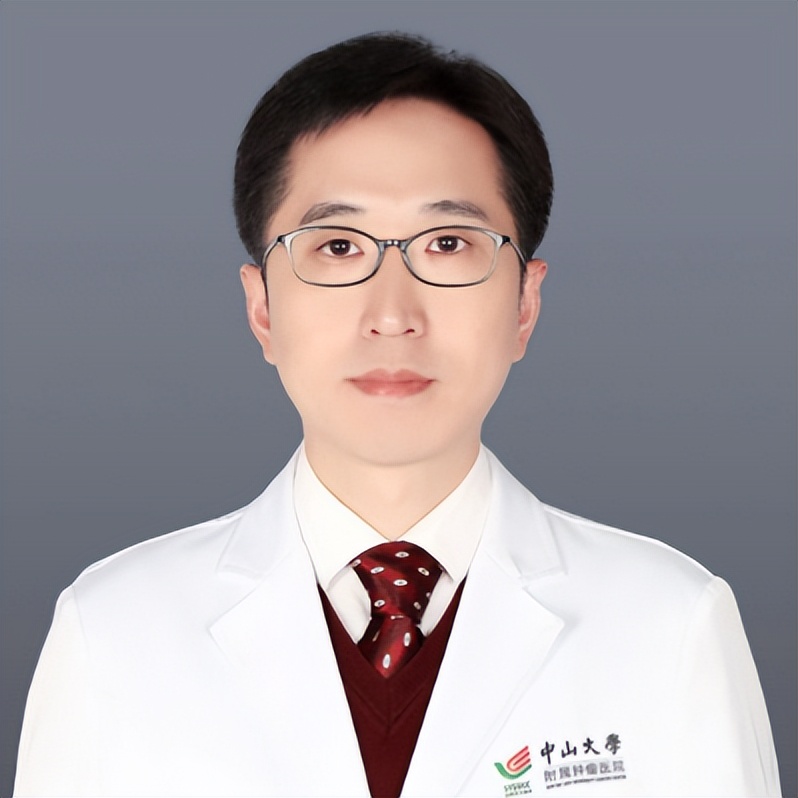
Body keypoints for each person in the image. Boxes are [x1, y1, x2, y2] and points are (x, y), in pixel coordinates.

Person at [14, 32, 780, 798]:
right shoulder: (112, 633)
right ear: (262, 309)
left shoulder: (671, 624)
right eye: (338, 247)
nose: (391, 315)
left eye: (447, 243)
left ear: (524, 304)